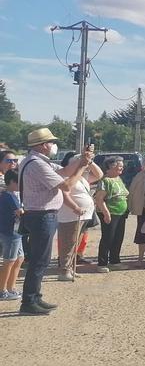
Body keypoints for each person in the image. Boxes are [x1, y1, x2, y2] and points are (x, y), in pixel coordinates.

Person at [17, 129, 92, 315]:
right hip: (41, 215)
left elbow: (64, 171)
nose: (52, 146)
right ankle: (29, 301)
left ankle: (35, 297)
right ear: (43, 145)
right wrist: (82, 167)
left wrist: (81, 160)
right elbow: (66, 184)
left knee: (40, 260)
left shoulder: (37, 161)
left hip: (42, 215)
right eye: (50, 142)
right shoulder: (37, 164)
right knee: (39, 261)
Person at [55, 150, 102, 281]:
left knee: (75, 243)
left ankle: (70, 267)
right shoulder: (65, 178)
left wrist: (89, 162)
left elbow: (99, 174)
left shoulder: (82, 178)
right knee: (68, 243)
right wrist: (75, 207)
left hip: (83, 215)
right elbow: (65, 194)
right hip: (70, 215)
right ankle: (64, 270)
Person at [93, 156, 130, 271]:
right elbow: (99, 199)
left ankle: (114, 260)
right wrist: (106, 213)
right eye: (119, 165)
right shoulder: (105, 181)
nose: (121, 167)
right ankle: (102, 263)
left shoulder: (118, 179)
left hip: (121, 213)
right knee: (108, 237)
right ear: (110, 167)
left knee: (118, 237)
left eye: (122, 166)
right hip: (110, 212)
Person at [1, 169, 23, 300]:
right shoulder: (8, 196)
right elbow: (19, 212)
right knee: (9, 261)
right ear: (11, 182)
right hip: (10, 233)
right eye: (18, 182)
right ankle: (2, 289)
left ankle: (11, 287)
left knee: (19, 259)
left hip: (15, 233)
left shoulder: (12, 194)